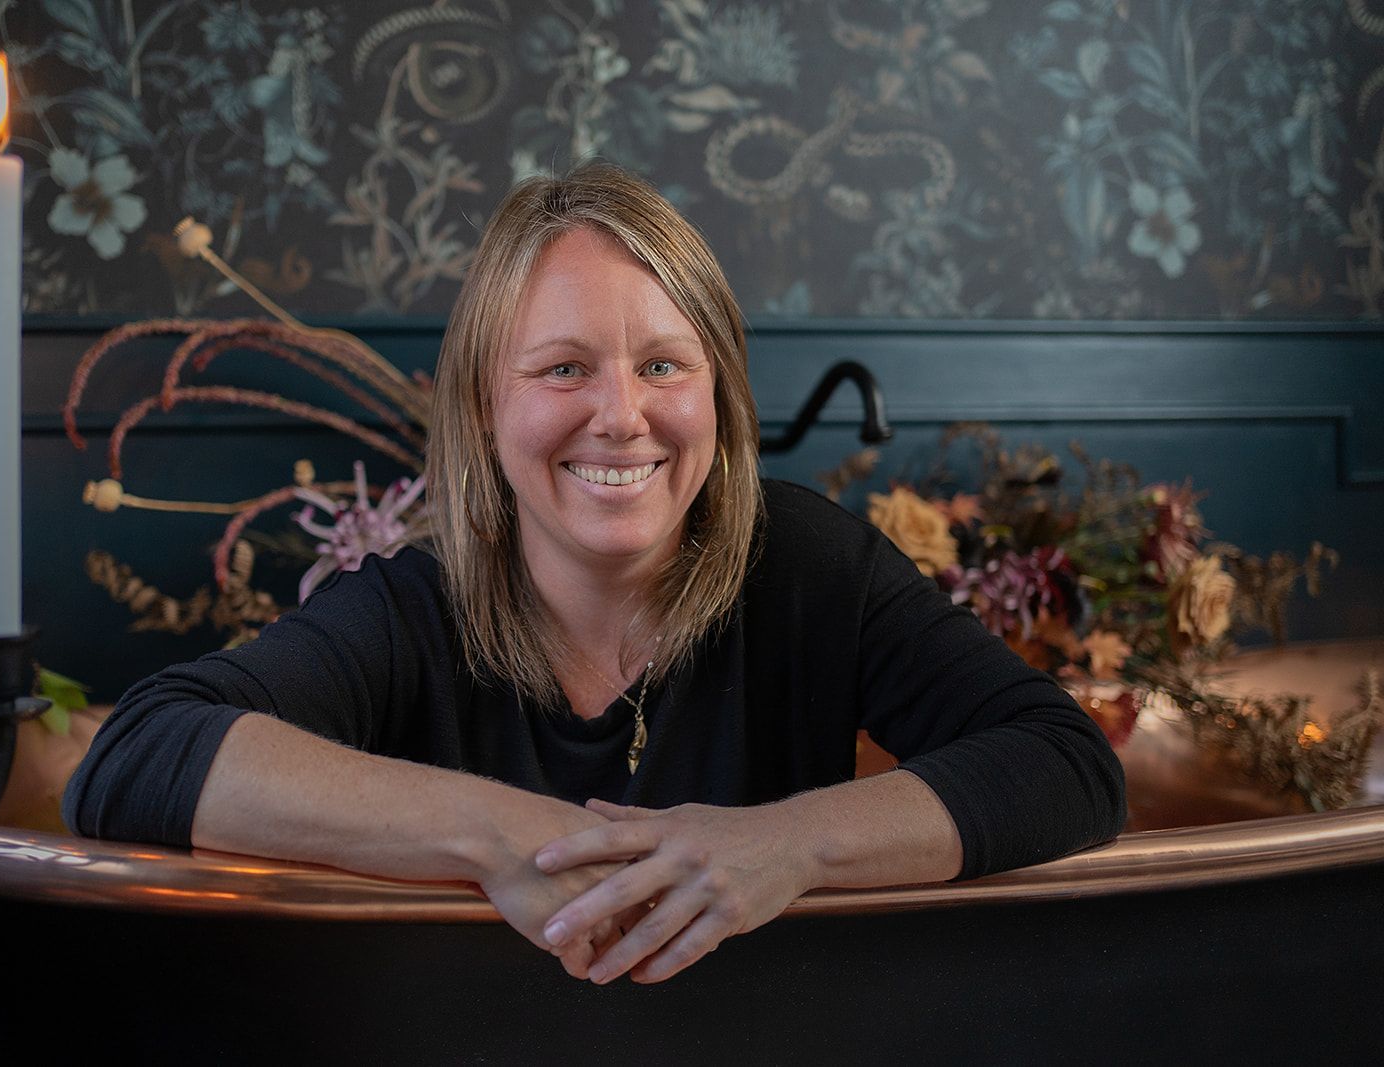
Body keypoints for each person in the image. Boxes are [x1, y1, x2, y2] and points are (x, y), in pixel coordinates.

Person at [63, 163, 1126, 986]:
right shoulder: (407, 607)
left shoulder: (809, 565)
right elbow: (138, 756)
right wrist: (498, 835)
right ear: (487, 405)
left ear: (718, 394)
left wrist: (785, 842)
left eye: (663, 364)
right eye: (563, 367)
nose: (620, 414)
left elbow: (1065, 762)